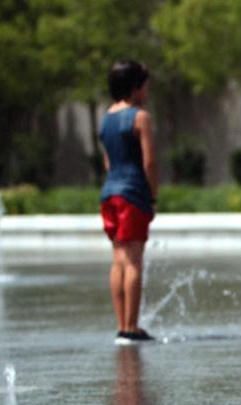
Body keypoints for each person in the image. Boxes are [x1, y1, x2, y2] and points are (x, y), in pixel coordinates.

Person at [99, 60, 158, 344]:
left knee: (118, 260)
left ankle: (122, 324)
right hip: (133, 192)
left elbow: (107, 160)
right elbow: (149, 162)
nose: (147, 89)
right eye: (144, 84)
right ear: (135, 87)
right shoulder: (140, 118)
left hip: (109, 192)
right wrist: (153, 194)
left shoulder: (107, 117)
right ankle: (131, 327)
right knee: (134, 260)